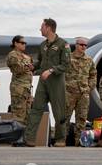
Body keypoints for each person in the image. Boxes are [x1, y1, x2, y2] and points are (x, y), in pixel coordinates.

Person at [20, 18, 71, 147]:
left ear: (48, 28)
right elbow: (41, 61)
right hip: (43, 83)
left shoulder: (63, 44)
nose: (40, 29)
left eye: (42, 27)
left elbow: (66, 65)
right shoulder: (42, 45)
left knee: (59, 112)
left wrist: (51, 70)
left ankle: (60, 139)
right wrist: (33, 66)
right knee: (36, 109)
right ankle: (29, 139)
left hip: (56, 82)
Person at [64, 38, 97, 141]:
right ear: (76, 45)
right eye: (81, 45)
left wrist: (88, 88)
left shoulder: (89, 60)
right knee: (65, 118)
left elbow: (93, 75)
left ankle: (80, 141)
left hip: (83, 94)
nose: (83, 47)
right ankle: (61, 140)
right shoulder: (67, 59)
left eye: (85, 45)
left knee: (82, 119)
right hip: (69, 93)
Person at [6, 36, 34, 123]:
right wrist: (28, 67)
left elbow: (32, 67)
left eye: (25, 43)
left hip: (27, 89)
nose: (24, 44)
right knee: (18, 117)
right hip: (19, 89)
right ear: (15, 43)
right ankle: (17, 136)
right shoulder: (12, 55)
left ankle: (25, 136)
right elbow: (17, 69)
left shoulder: (26, 56)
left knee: (27, 116)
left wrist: (30, 67)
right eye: (22, 43)